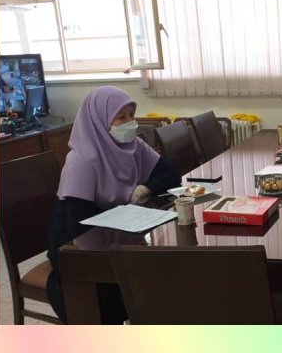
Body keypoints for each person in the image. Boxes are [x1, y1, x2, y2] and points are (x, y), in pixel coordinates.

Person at [46, 86, 181, 324]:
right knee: (147, 284)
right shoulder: (82, 161)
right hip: (78, 251)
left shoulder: (134, 147)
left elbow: (170, 173)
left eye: (131, 115)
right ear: (100, 121)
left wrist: (145, 188)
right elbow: (80, 226)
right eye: (121, 118)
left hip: (120, 234)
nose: (130, 123)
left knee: (167, 276)